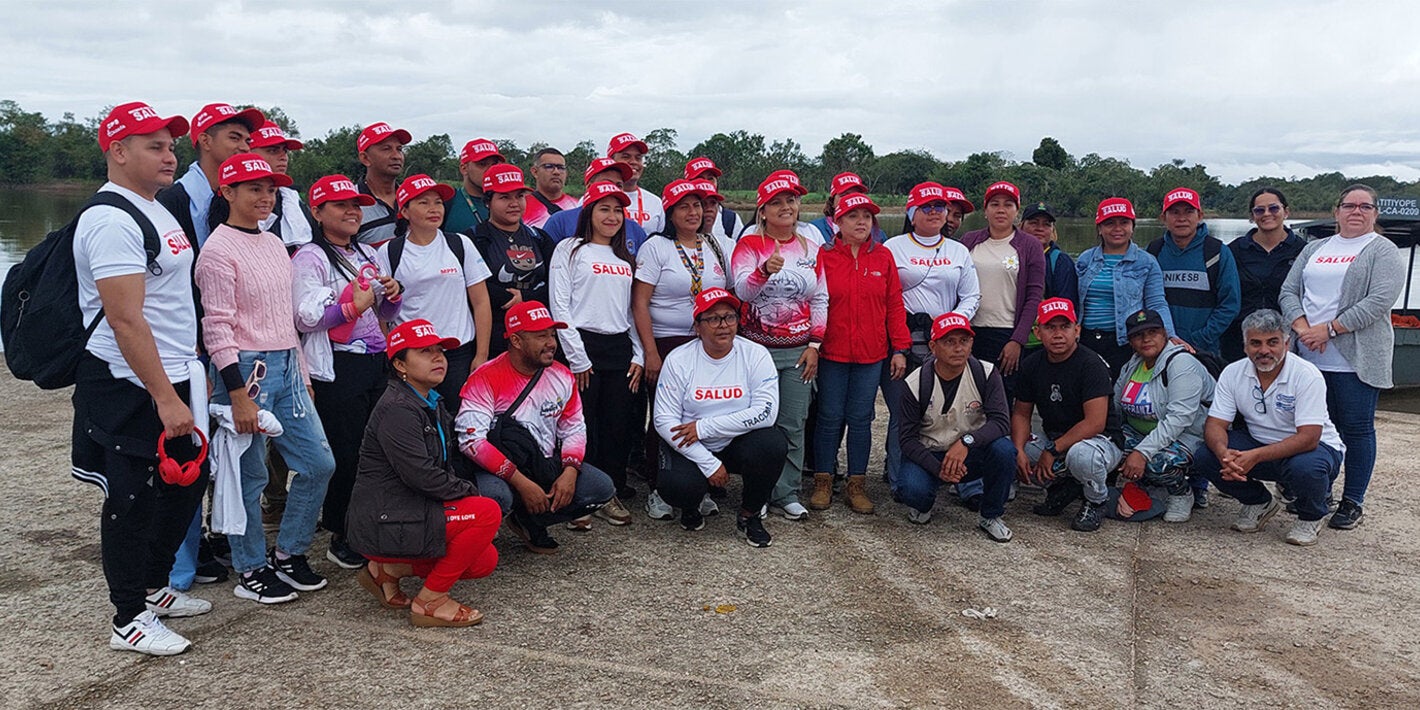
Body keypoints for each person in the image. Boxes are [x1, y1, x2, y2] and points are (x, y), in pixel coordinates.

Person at [72, 102, 209, 655]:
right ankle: (128, 617)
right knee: (132, 496)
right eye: (153, 145)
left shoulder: (156, 209)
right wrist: (163, 397)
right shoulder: (109, 220)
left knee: (186, 484)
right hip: (129, 381)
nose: (168, 154)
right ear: (118, 151)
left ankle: (154, 588)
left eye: (171, 145)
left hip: (177, 372)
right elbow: (125, 318)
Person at [195, 153, 336, 604]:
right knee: (248, 475)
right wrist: (235, 393)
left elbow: (285, 316)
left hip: (288, 364)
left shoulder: (275, 243)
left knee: (318, 463)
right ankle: (250, 566)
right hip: (245, 369)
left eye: (270, 189)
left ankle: (289, 552)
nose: (264, 196)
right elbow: (216, 326)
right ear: (227, 192)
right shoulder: (216, 252)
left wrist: (302, 370)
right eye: (253, 188)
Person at [347, 319, 501, 627]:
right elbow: (421, 476)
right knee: (485, 512)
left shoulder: (429, 401)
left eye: (440, 351)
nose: (438, 358)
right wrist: (470, 493)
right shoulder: (397, 409)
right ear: (400, 365)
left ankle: (387, 571)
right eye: (425, 352)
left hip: (408, 510)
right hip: (386, 518)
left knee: (484, 560)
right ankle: (430, 600)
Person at [292, 174, 404, 569]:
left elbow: (384, 312)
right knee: (346, 451)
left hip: (374, 359)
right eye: (341, 205)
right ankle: (340, 531)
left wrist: (391, 295)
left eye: (356, 205)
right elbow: (305, 318)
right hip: (338, 364)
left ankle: (364, 523)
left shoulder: (364, 253)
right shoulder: (311, 257)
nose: (352, 211)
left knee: (374, 449)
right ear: (317, 212)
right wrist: (353, 308)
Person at [1279, 184, 1405, 530]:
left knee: (1357, 429)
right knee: (1314, 428)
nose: (1356, 211)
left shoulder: (1383, 250)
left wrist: (1329, 330)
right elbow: (1289, 291)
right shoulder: (1315, 248)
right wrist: (1303, 328)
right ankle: (1319, 492)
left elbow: (1378, 301)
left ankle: (1353, 500)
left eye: (1365, 207)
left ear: (1375, 214)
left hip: (1354, 359)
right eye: (1349, 205)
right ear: (1337, 212)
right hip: (1309, 355)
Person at [456, 301, 618, 553]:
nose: (552, 343)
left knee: (601, 488)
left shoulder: (563, 375)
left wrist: (570, 471)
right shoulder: (485, 377)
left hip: (542, 464)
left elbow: (574, 428)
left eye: (552, 335)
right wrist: (520, 482)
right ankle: (497, 522)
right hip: (500, 470)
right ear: (517, 341)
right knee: (496, 497)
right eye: (541, 336)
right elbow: (471, 442)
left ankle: (530, 520)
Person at [1194, 310, 1345, 546]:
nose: (1264, 350)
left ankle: (1311, 515)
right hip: (1259, 445)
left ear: (1286, 343)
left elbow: (1309, 438)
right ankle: (1258, 502)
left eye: (1272, 342)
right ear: (1245, 346)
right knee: (1206, 455)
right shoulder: (1233, 373)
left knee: (1307, 468)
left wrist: (1254, 456)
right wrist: (1224, 453)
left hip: (1314, 449)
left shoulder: (1306, 375)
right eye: (1255, 343)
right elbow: (1215, 424)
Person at [632, 179, 735, 521]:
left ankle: (698, 484)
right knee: (663, 417)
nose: (694, 213)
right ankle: (659, 487)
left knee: (703, 413)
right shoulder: (656, 247)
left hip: (706, 344)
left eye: (699, 206)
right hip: (665, 341)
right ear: (670, 213)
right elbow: (640, 304)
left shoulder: (716, 246)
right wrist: (650, 352)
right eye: (685, 206)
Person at [653, 288, 786, 545]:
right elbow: (663, 419)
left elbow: (766, 413)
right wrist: (707, 462)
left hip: (732, 440)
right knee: (679, 488)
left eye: (729, 317)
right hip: (691, 444)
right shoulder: (679, 359)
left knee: (773, 443)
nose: (723, 325)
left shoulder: (756, 354)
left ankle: (750, 514)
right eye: (713, 319)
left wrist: (705, 427)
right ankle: (691, 504)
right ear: (697, 326)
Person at [730, 174, 829, 520]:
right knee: (758, 424)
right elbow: (742, 292)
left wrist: (815, 343)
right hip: (756, 349)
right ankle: (756, 493)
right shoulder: (748, 244)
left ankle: (786, 492)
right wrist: (762, 272)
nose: (786, 207)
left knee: (793, 422)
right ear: (763, 210)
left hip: (799, 350)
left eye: (791, 200)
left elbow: (820, 298)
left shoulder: (810, 248)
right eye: (776, 202)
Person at [550, 180, 646, 524]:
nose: (612, 216)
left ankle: (609, 492)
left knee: (616, 426)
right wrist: (577, 357)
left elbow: (630, 310)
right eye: (604, 209)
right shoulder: (570, 249)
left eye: (618, 210)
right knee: (580, 425)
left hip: (618, 347)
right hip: (581, 345)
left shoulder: (625, 257)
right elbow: (559, 304)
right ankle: (577, 497)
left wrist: (638, 354)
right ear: (588, 212)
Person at [810, 193, 910, 514]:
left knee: (861, 420)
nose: (862, 222)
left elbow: (894, 305)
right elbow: (813, 303)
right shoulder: (823, 256)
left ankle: (857, 484)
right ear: (837, 222)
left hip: (871, 355)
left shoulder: (883, 257)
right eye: (853, 216)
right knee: (828, 418)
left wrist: (900, 348)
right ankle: (823, 480)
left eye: (867, 216)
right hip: (832, 353)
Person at [882, 182, 982, 487]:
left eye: (940, 207)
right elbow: (885, 297)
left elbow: (972, 295)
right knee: (903, 411)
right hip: (904, 338)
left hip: (947, 340)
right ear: (912, 213)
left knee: (952, 410)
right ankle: (898, 477)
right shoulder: (893, 247)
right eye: (927, 207)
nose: (935, 212)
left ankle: (958, 476)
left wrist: (952, 326)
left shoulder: (958, 250)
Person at [890, 313, 1016, 541]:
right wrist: (940, 469)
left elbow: (1001, 422)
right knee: (912, 490)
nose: (958, 348)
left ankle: (991, 515)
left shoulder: (986, 373)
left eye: (964, 341)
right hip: (931, 454)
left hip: (970, 451)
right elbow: (907, 439)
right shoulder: (914, 383)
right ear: (933, 346)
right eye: (949, 342)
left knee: (1004, 450)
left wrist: (967, 443)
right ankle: (924, 504)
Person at [375, 174, 494, 411]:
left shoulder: (460, 244)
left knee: (457, 422)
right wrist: (391, 354)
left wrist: (481, 355)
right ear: (405, 212)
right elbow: (380, 312)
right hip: (412, 356)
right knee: (414, 421)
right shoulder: (389, 251)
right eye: (423, 202)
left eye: (438, 202)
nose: (434, 209)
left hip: (457, 353)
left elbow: (481, 302)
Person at [1013, 298, 1125, 533]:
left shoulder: (1090, 364)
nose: (1057, 334)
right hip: (1056, 437)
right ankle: (1065, 486)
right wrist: (1019, 450)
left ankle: (1096, 500)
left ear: (1077, 330)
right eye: (1049, 327)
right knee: (1009, 450)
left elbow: (1095, 423)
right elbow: (1022, 414)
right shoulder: (1031, 364)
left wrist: (1052, 450)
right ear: (1037, 332)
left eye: (1064, 327)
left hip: (1101, 441)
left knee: (1081, 455)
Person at [1110, 309, 1215, 523]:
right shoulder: (1133, 363)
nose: (1146, 338)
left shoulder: (1181, 364)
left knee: (1159, 463)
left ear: (1165, 333)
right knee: (1108, 445)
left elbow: (1179, 419)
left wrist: (1141, 453)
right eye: (1138, 335)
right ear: (1130, 341)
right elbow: (1116, 406)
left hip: (1187, 436)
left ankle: (1181, 493)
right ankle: (1150, 487)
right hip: (1141, 432)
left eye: (1153, 332)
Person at [958, 181, 1045, 401]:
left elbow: (1034, 296)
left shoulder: (1030, 245)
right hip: (970, 331)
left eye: (1008, 204)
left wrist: (1018, 340)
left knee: (1002, 398)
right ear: (985, 210)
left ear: (1016, 211)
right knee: (970, 398)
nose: (1000, 210)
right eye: (994, 204)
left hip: (1006, 333)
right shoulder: (969, 241)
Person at [1075, 198, 1175, 379]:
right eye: (1110, 223)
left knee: (1120, 394)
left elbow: (1157, 302)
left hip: (1125, 340)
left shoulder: (1147, 262)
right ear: (1099, 228)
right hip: (1086, 340)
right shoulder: (1085, 259)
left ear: (1132, 226)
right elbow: (1075, 300)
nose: (1117, 229)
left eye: (1124, 222)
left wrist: (1170, 337)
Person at [469, 163, 556, 357]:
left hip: (537, 336)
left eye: (519, 196)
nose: (514, 203)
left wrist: (525, 298)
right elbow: (474, 286)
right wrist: (510, 299)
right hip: (493, 336)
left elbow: (558, 284)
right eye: (504, 197)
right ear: (488, 202)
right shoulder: (474, 239)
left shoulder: (540, 238)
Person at [1147, 187, 1241, 356]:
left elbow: (1230, 305)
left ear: (1199, 216)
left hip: (1204, 349)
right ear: (1163, 218)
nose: (1181, 218)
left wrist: (1199, 338)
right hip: (1160, 347)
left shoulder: (1217, 252)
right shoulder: (1153, 252)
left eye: (1189, 212)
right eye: (1174, 212)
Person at [157, 103, 263, 248]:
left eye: (247, 141)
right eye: (234, 138)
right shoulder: (172, 201)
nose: (245, 148)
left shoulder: (244, 197)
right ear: (206, 141)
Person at [1223, 187, 1306, 363]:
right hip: (1238, 339)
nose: (1267, 214)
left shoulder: (1304, 251)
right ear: (1252, 216)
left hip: (1286, 338)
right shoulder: (1234, 250)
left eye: (1274, 208)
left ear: (1286, 211)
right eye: (1259, 210)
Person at [543, 158, 648, 251]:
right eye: (606, 183)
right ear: (589, 187)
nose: (613, 188)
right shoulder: (560, 222)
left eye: (619, 185)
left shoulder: (635, 230)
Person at [249, 120, 313, 250]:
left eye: (285, 151)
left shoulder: (293, 200)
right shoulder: (231, 199)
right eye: (273, 150)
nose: (283, 157)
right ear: (248, 152)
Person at [353, 122, 411, 244]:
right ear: (365, 158)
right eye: (386, 149)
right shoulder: (350, 203)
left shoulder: (413, 198)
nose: (397, 156)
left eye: (399, 149)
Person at [1019, 201, 1078, 307]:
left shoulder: (1061, 262)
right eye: (1034, 223)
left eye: (1046, 224)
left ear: (1052, 230)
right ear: (1021, 226)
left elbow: (1066, 305)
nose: (1040, 229)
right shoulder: (1011, 255)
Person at [443, 138, 504, 234]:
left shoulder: (509, 204)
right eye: (482, 164)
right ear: (464, 169)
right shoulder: (446, 204)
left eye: (494, 165)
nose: (489, 170)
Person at [607, 132, 664, 234]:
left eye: (638, 158)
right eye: (626, 156)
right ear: (611, 161)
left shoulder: (655, 202)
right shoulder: (594, 199)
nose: (633, 162)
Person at [810, 172, 885, 245]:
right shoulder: (813, 230)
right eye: (844, 195)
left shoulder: (878, 235)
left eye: (856, 195)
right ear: (832, 201)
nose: (851, 199)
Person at [684, 156, 744, 240]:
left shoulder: (730, 219)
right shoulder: (677, 218)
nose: (706, 183)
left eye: (710, 178)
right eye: (700, 179)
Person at [522, 148, 578, 228]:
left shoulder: (577, 206)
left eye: (561, 168)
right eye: (549, 167)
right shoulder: (520, 207)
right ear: (535, 172)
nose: (556, 172)